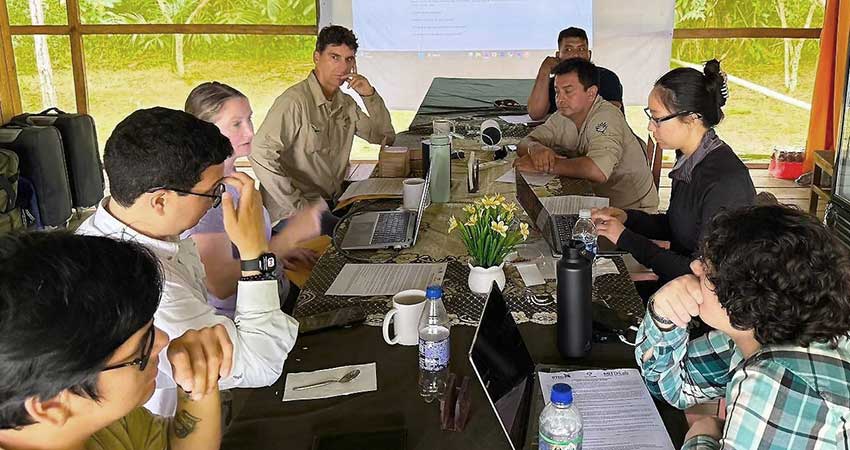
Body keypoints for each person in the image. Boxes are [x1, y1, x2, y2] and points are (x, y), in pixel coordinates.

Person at [76, 107, 319, 417]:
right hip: (166, 428)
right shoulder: (144, 283)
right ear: (160, 200)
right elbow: (259, 365)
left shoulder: (125, 228)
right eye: (212, 192)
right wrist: (255, 254)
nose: (218, 200)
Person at [636, 205, 850, 450]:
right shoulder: (756, 334)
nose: (694, 266)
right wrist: (664, 315)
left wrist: (701, 437)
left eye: (708, 269)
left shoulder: (777, 380)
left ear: (750, 294)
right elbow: (671, 388)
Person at [0, 232, 231, 450]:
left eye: (150, 328)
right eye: (140, 351)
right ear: (50, 406)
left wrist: (198, 379)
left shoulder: (97, 414)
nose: (163, 340)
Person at [592, 60, 755, 287]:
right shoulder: (690, 158)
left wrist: (624, 237)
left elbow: (700, 273)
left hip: (703, 296)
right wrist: (628, 218)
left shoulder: (725, 183)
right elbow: (677, 226)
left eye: (657, 118)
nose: (650, 127)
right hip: (678, 285)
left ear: (691, 118)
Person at [183, 81, 324, 318]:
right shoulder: (209, 198)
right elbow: (220, 284)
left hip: (272, 299)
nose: (250, 133)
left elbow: (248, 249)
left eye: (249, 119)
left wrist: (276, 255)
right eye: (236, 124)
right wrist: (287, 241)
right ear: (206, 131)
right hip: (240, 321)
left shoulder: (235, 178)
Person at [250, 24, 396, 221]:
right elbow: (259, 152)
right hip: (292, 215)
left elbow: (385, 137)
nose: (343, 67)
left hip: (330, 203)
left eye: (349, 59)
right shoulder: (294, 102)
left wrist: (369, 95)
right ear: (317, 57)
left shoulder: (345, 103)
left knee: (385, 219)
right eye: (334, 57)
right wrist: (298, 206)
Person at [516, 58, 658, 212]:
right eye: (557, 92)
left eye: (568, 91)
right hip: (595, 201)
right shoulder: (564, 115)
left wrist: (546, 166)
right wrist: (534, 148)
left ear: (591, 93)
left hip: (632, 211)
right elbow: (525, 142)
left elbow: (598, 170)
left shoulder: (607, 116)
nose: (560, 99)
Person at [527, 27, 623, 120]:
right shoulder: (556, 83)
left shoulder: (606, 77)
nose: (576, 55)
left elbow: (610, 112)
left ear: (589, 54)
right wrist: (544, 71)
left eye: (581, 49)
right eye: (568, 50)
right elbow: (535, 114)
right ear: (558, 55)